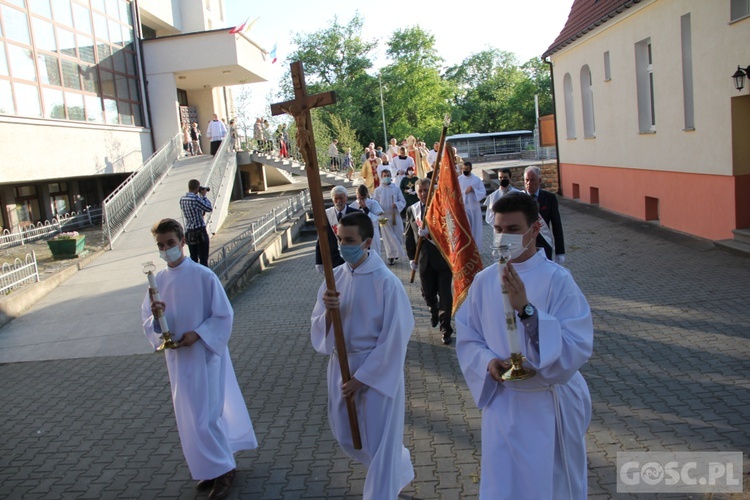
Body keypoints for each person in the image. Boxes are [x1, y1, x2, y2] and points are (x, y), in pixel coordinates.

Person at [455, 192, 593, 499]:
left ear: (535, 228)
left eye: (513, 229)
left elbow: (577, 345)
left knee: (548, 488)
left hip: (546, 405)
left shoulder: (558, 280)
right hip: (503, 404)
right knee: (503, 486)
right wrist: (486, 362)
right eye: (499, 228)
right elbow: (468, 336)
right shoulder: (483, 281)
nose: (504, 237)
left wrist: (527, 311)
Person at [142, 218, 257, 500]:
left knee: (208, 415)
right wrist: (157, 320)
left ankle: (225, 470)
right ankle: (208, 467)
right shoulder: (157, 283)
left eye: (170, 243)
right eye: (161, 245)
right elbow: (149, 323)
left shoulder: (204, 276)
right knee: (189, 418)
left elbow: (223, 315)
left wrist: (199, 334)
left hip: (205, 355)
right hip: (179, 361)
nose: (166, 249)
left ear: (182, 242)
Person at [310, 212, 415, 499]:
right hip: (341, 366)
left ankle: (382, 489)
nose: (344, 246)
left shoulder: (386, 282)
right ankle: (399, 466)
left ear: (367, 242)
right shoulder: (335, 278)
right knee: (349, 435)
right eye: (341, 239)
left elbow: (396, 336)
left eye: (350, 240)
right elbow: (319, 330)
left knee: (381, 440)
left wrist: (363, 377)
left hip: (377, 372)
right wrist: (329, 313)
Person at [405, 178, 454, 345]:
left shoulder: (441, 208)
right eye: (420, 191)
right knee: (428, 293)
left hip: (443, 259)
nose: (424, 193)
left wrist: (431, 233)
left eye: (426, 190)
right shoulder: (412, 210)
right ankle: (433, 308)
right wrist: (412, 257)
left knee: (446, 296)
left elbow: (449, 231)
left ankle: (446, 328)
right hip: (424, 261)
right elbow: (409, 237)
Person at [315, 186, 361, 274]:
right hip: (334, 259)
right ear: (332, 199)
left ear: (346, 198)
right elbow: (320, 239)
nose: (339, 201)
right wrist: (319, 261)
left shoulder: (357, 214)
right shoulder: (325, 215)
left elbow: (363, 236)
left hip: (354, 257)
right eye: (336, 199)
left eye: (341, 198)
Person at [524, 166, 565, 264]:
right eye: (526, 180)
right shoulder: (520, 199)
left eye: (533, 180)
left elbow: (557, 226)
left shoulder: (549, 198)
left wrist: (560, 251)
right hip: (525, 246)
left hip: (544, 245)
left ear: (539, 181)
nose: (529, 183)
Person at [373, 169, 407, 265]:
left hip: (395, 215)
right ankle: (390, 256)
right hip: (383, 217)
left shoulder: (396, 188)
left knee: (398, 234)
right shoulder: (378, 190)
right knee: (387, 237)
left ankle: (396, 252)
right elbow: (374, 203)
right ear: (381, 177)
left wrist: (397, 204)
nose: (386, 177)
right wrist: (378, 209)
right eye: (385, 175)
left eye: (388, 175)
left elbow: (402, 201)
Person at [179, 179, 213, 266]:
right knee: (203, 257)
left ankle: (195, 276)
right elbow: (209, 208)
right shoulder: (195, 199)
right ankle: (204, 277)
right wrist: (204, 196)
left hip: (189, 232)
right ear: (197, 188)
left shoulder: (182, 199)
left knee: (193, 258)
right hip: (200, 231)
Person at [458, 161, 487, 246]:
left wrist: (474, 190)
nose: (465, 171)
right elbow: (456, 192)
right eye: (463, 169)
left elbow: (483, 192)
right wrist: (465, 192)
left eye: (467, 169)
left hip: (474, 208)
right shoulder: (459, 179)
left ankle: (476, 247)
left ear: (471, 169)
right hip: (464, 207)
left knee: (475, 228)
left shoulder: (476, 179)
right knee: (466, 228)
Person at [351, 184, 384, 257]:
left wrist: (365, 209)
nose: (361, 201)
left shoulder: (373, 203)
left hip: (372, 232)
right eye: (359, 198)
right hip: (358, 233)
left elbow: (376, 219)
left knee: (374, 253)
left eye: (363, 198)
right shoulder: (352, 206)